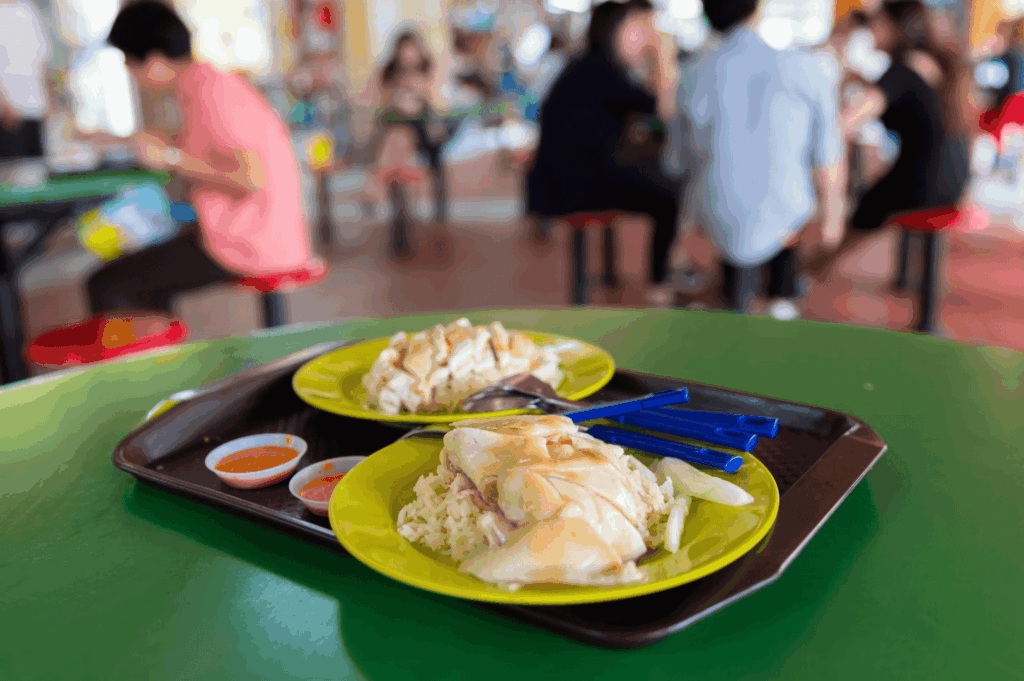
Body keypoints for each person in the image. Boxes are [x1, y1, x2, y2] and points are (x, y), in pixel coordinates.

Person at [86, 1, 312, 315]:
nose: (128, 70)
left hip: (253, 243)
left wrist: (170, 157)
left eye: (128, 60)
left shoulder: (210, 93)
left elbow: (250, 178)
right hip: (262, 234)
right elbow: (202, 149)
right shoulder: (205, 83)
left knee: (107, 283)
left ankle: (148, 361)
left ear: (152, 61)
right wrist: (121, 140)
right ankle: (159, 355)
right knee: (140, 260)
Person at [664, 0, 845, 317]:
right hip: (790, 219)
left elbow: (677, 164)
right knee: (786, 207)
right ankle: (782, 300)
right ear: (757, 9)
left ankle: (730, 301)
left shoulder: (691, 74)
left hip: (715, 217)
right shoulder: (806, 67)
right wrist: (832, 215)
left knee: (719, 202)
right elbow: (827, 156)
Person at [527, 0, 680, 294]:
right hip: (575, 189)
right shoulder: (602, 69)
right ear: (615, 31)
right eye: (639, 28)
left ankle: (649, 277)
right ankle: (659, 285)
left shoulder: (586, 66)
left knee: (656, 177)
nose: (645, 36)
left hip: (562, 183)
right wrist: (661, 54)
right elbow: (661, 108)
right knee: (669, 193)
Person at [838, 1, 971, 250]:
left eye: (877, 24)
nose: (870, 32)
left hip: (922, 185)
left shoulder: (901, 69)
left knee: (850, 217)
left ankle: (805, 278)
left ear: (897, 28)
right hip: (955, 179)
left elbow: (848, 121)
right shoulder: (930, 62)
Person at [0, 0, 49, 160]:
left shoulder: (27, 9)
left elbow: (41, 59)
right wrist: (5, 105)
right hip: (8, 113)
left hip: (35, 109)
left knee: (36, 168)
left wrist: (48, 100)